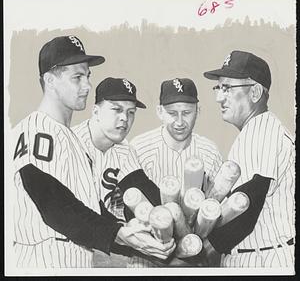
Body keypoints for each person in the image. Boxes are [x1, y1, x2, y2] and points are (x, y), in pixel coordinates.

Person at [12, 36, 175, 268]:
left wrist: (136, 240)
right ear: (50, 80)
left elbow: (90, 213)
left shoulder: (70, 140)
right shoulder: (37, 129)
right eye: (77, 77)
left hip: (72, 257)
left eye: (87, 76)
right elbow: (53, 203)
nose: (87, 86)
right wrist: (119, 233)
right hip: (43, 258)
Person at [202, 50, 295, 267]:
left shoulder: (260, 131)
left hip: (261, 259)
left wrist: (203, 252)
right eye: (218, 87)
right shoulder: (263, 130)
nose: (218, 97)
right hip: (261, 254)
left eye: (227, 88)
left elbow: (248, 203)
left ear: (254, 92)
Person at [73, 77, 169, 267]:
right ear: (96, 111)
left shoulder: (124, 150)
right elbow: (83, 209)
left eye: (131, 112)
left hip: (99, 241)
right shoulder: (71, 142)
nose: (125, 118)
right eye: (116, 109)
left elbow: (143, 190)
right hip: (61, 242)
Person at [129, 78, 223, 267]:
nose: (180, 121)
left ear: (198, 111)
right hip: (147, 259)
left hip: (195, 258)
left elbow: (218, 209)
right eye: (172, 113)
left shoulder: (210, 151)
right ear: (159, 112)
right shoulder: (138, 148)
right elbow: (122, 207)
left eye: (187, 113)